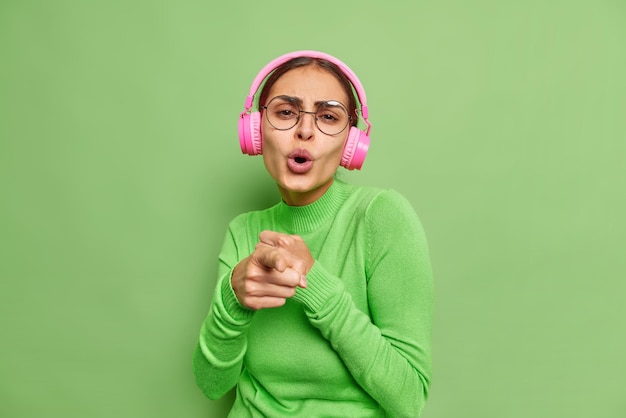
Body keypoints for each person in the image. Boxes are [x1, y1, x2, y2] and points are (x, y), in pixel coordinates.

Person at [193, 50, 434, 418]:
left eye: (328, 116)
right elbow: (212, 385)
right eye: (286, 112)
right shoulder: (243, 231)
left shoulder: (381, 216)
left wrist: (314, 283)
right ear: (256, 131)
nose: (305, 131)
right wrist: (232, 299)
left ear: (350, 145)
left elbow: (409, 399)